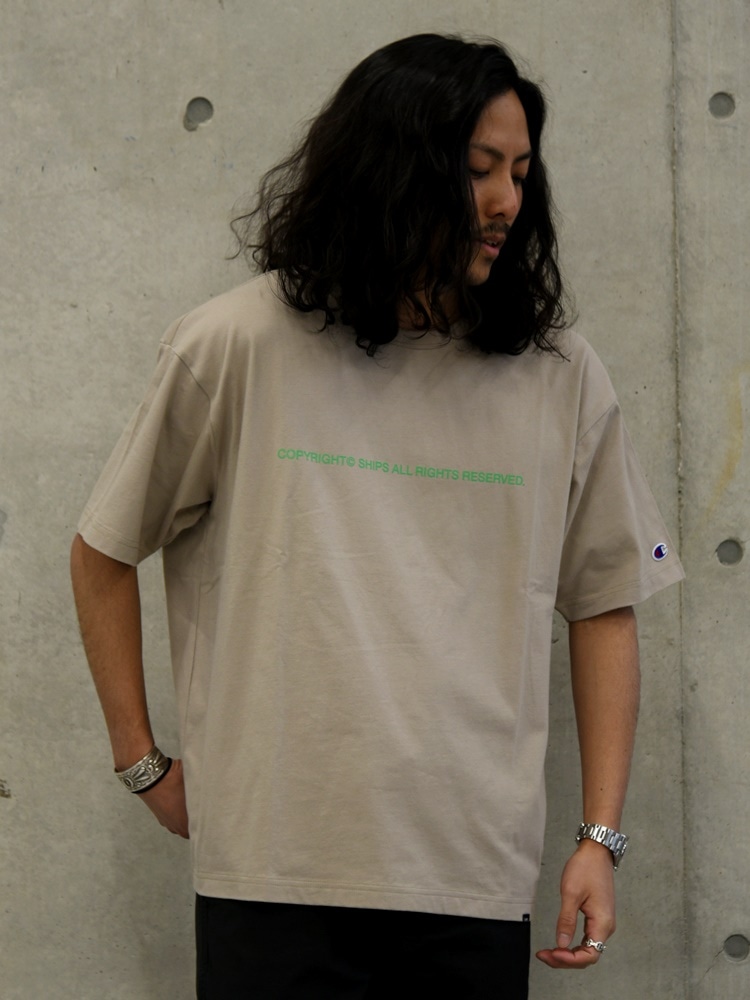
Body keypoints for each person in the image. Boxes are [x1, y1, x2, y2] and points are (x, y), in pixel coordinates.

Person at [71, 33, 683, 998]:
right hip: (270, 874)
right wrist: (143, 765)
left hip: (470, 878)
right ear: (392, 169)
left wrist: (598, 837)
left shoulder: (558, 376)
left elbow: (605, 602)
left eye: (521, 173)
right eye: (478, 169)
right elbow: (102, 550)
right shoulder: (237, 344)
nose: (507, 201)